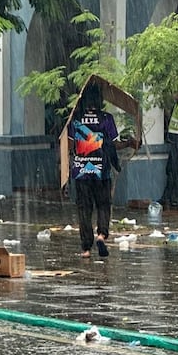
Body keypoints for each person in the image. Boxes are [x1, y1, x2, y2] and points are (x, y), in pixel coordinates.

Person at [68, 81, 137, 258]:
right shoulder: (106, 119)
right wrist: (130, 142)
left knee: (84, 208)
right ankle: (101, 235)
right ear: (100, 100)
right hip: (102, 171)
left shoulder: (74, 119)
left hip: (81, 172)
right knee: (103, 205)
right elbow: (114, 145)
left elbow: (69, 144)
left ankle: (85, 248)